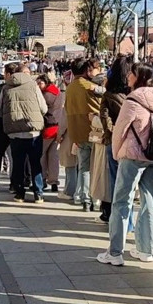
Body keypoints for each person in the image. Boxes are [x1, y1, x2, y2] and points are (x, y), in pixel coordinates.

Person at [97, 63, 153, 267]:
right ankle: (147, 249)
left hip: (132, 155)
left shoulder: (132, 100)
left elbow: (120, 130)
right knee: (149, 199)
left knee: (121, 201)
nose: (128, 77)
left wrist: (117, 153)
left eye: (132, 74)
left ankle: (115, 251)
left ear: (139, 77)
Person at [0, 64, 47, 203]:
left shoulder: (6, 87)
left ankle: (19, 193)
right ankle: (38, 193)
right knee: (35, 162)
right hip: (33, 131)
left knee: (18, 163)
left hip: (14, 133)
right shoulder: (33, 86)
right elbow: (43, 107)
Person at [65, 57, 105, 211]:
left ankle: (85, 199)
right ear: (86, 70)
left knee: (84, 167)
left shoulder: (70, 88)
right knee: (97, 167)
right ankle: (96, 198)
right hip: (94, 131)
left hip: (77, 132)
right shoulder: (90, 87)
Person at [98, 56, 132, 223]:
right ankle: (129, 220)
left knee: (115, 180)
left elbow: (104, 117)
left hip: (113, 141)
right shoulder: (134, 93)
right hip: (134, 142)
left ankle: (116, 219)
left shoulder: (109, 93)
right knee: (131, 184)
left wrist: (111, 132)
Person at [0, 63, 18, 193]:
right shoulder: (24, 86)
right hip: (17, 127)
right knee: (14, 157)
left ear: (7, 74)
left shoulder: (2, 88)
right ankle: (14, 183)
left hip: (2, 126)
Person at [37, 73, 62, 193]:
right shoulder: (57, 92)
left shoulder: (46, 95)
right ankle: (54, 182)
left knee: (41, 155)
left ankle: (42, 179)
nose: (38, 85)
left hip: (47, 128)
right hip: (57, 127)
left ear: (46, 83)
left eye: (40, 83)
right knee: (53, 157)